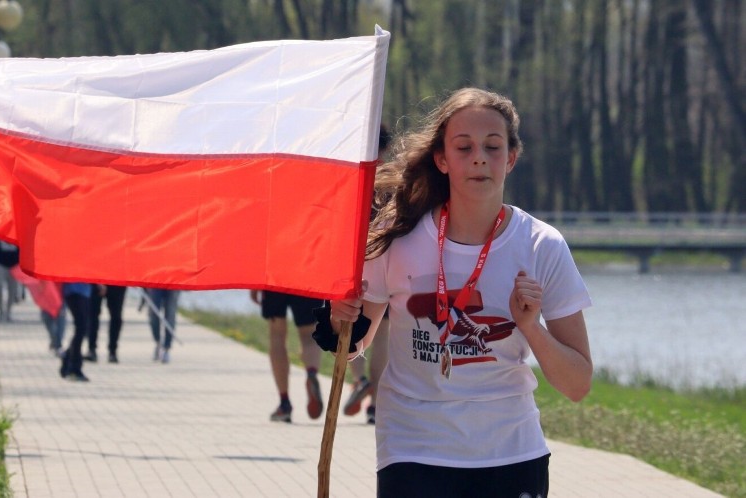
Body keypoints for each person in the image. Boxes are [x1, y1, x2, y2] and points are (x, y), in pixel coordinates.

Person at [323, 88, 593, 497]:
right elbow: (350, 345)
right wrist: (337, 320)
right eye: (464, 147)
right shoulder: (398, 237)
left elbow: (577, 385)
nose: (479, 158)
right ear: (442, 160)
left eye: (493, 146)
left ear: (511, 158)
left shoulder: (541, 245)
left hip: (510, 454)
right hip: (413, 450)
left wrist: (531, 328)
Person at [343, 124, 392, 425]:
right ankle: (375, 399)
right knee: (381, 334)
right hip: (383, 265)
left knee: (348, 329)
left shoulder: (350, 175)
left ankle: (359, 378)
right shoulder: (392, 183)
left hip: (351, 268)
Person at [251, 290, 325, 423]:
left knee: (277, 334)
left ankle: (284, 403)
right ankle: (311, 373)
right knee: (309, 334)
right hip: (307, 275)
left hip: (275, 278)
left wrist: (255, 287)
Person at [85, 284, 127, 363]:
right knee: (92, 316)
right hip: (96, 278)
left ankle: (112, 351)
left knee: (116, 317)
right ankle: (91, 349)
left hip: (116, 281)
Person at [59, 282, 93, 382]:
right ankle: (73, 368)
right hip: (74, 290)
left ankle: (67, 360)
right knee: (81, 328)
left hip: (85, 290)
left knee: (83, 328)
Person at [144, 288, 180, 363]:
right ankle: (158, 342)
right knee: (153, 314)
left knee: (170, 315)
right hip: (155, 283)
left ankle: (166, 348)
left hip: (173, 283)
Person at [0, 236, 20, 322]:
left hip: (14, 266)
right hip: (0, 264)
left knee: (12, 290)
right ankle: (0, 311)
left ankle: (8, 312)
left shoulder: (18, 233)